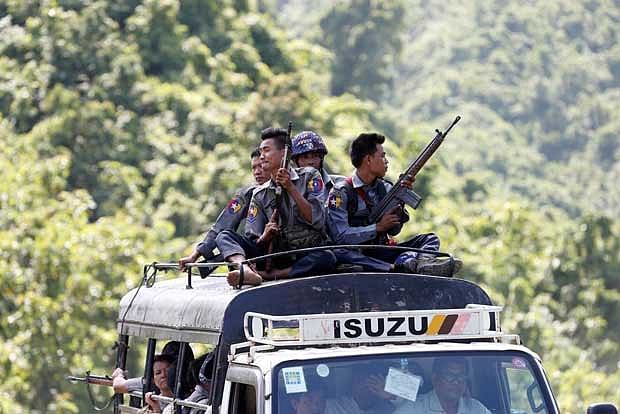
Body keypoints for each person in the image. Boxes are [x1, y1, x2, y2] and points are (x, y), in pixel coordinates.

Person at [326, 132, 462, 277]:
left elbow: (394, 231)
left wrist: (399, 204)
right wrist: (378, 227)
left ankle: (423, 264)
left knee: (430, 239)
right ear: (368, 159)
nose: (386, 161)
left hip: (382, 250)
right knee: (338, 252)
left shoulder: (385, 188)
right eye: (382, 156)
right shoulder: (341, 192)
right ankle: (395, 267)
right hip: (358, 254)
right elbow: (340, 237)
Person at [216, 127, 337, 286]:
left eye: (266, 150)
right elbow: (254, 239)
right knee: (224, 236)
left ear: (284, 153)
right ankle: (244, 269)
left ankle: (269, 275)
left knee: (326, 258)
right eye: (261, 152)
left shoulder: (310, 176)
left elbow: (317, 220)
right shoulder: (260, 194)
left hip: (304, 252)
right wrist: (265, 236)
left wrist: (290, 188)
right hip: (276, 254)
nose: (262, 156)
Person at [292, 130, 393, 273]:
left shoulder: (341, 185)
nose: (310, 161)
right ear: (296, 161)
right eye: (304, 157)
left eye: (315, 156)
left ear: (321, 158)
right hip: (312, 249)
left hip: (348, 244)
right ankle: (388, 268)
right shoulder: (289, 189)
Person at [178, 148, 269, 272]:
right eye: (254, 168)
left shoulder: (288, 187)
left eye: (261, 166)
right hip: (255, 252)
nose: (257, 172)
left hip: (282, 252)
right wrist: (194, 256)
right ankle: (244, 270)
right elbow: (221, 225)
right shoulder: (246, 194)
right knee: (224, 236)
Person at [393, 358, 491, 414]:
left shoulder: (476, 409)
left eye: (461, 376)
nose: (456, 382)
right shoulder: (413, 409)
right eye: (450, 376)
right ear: (435, 379)